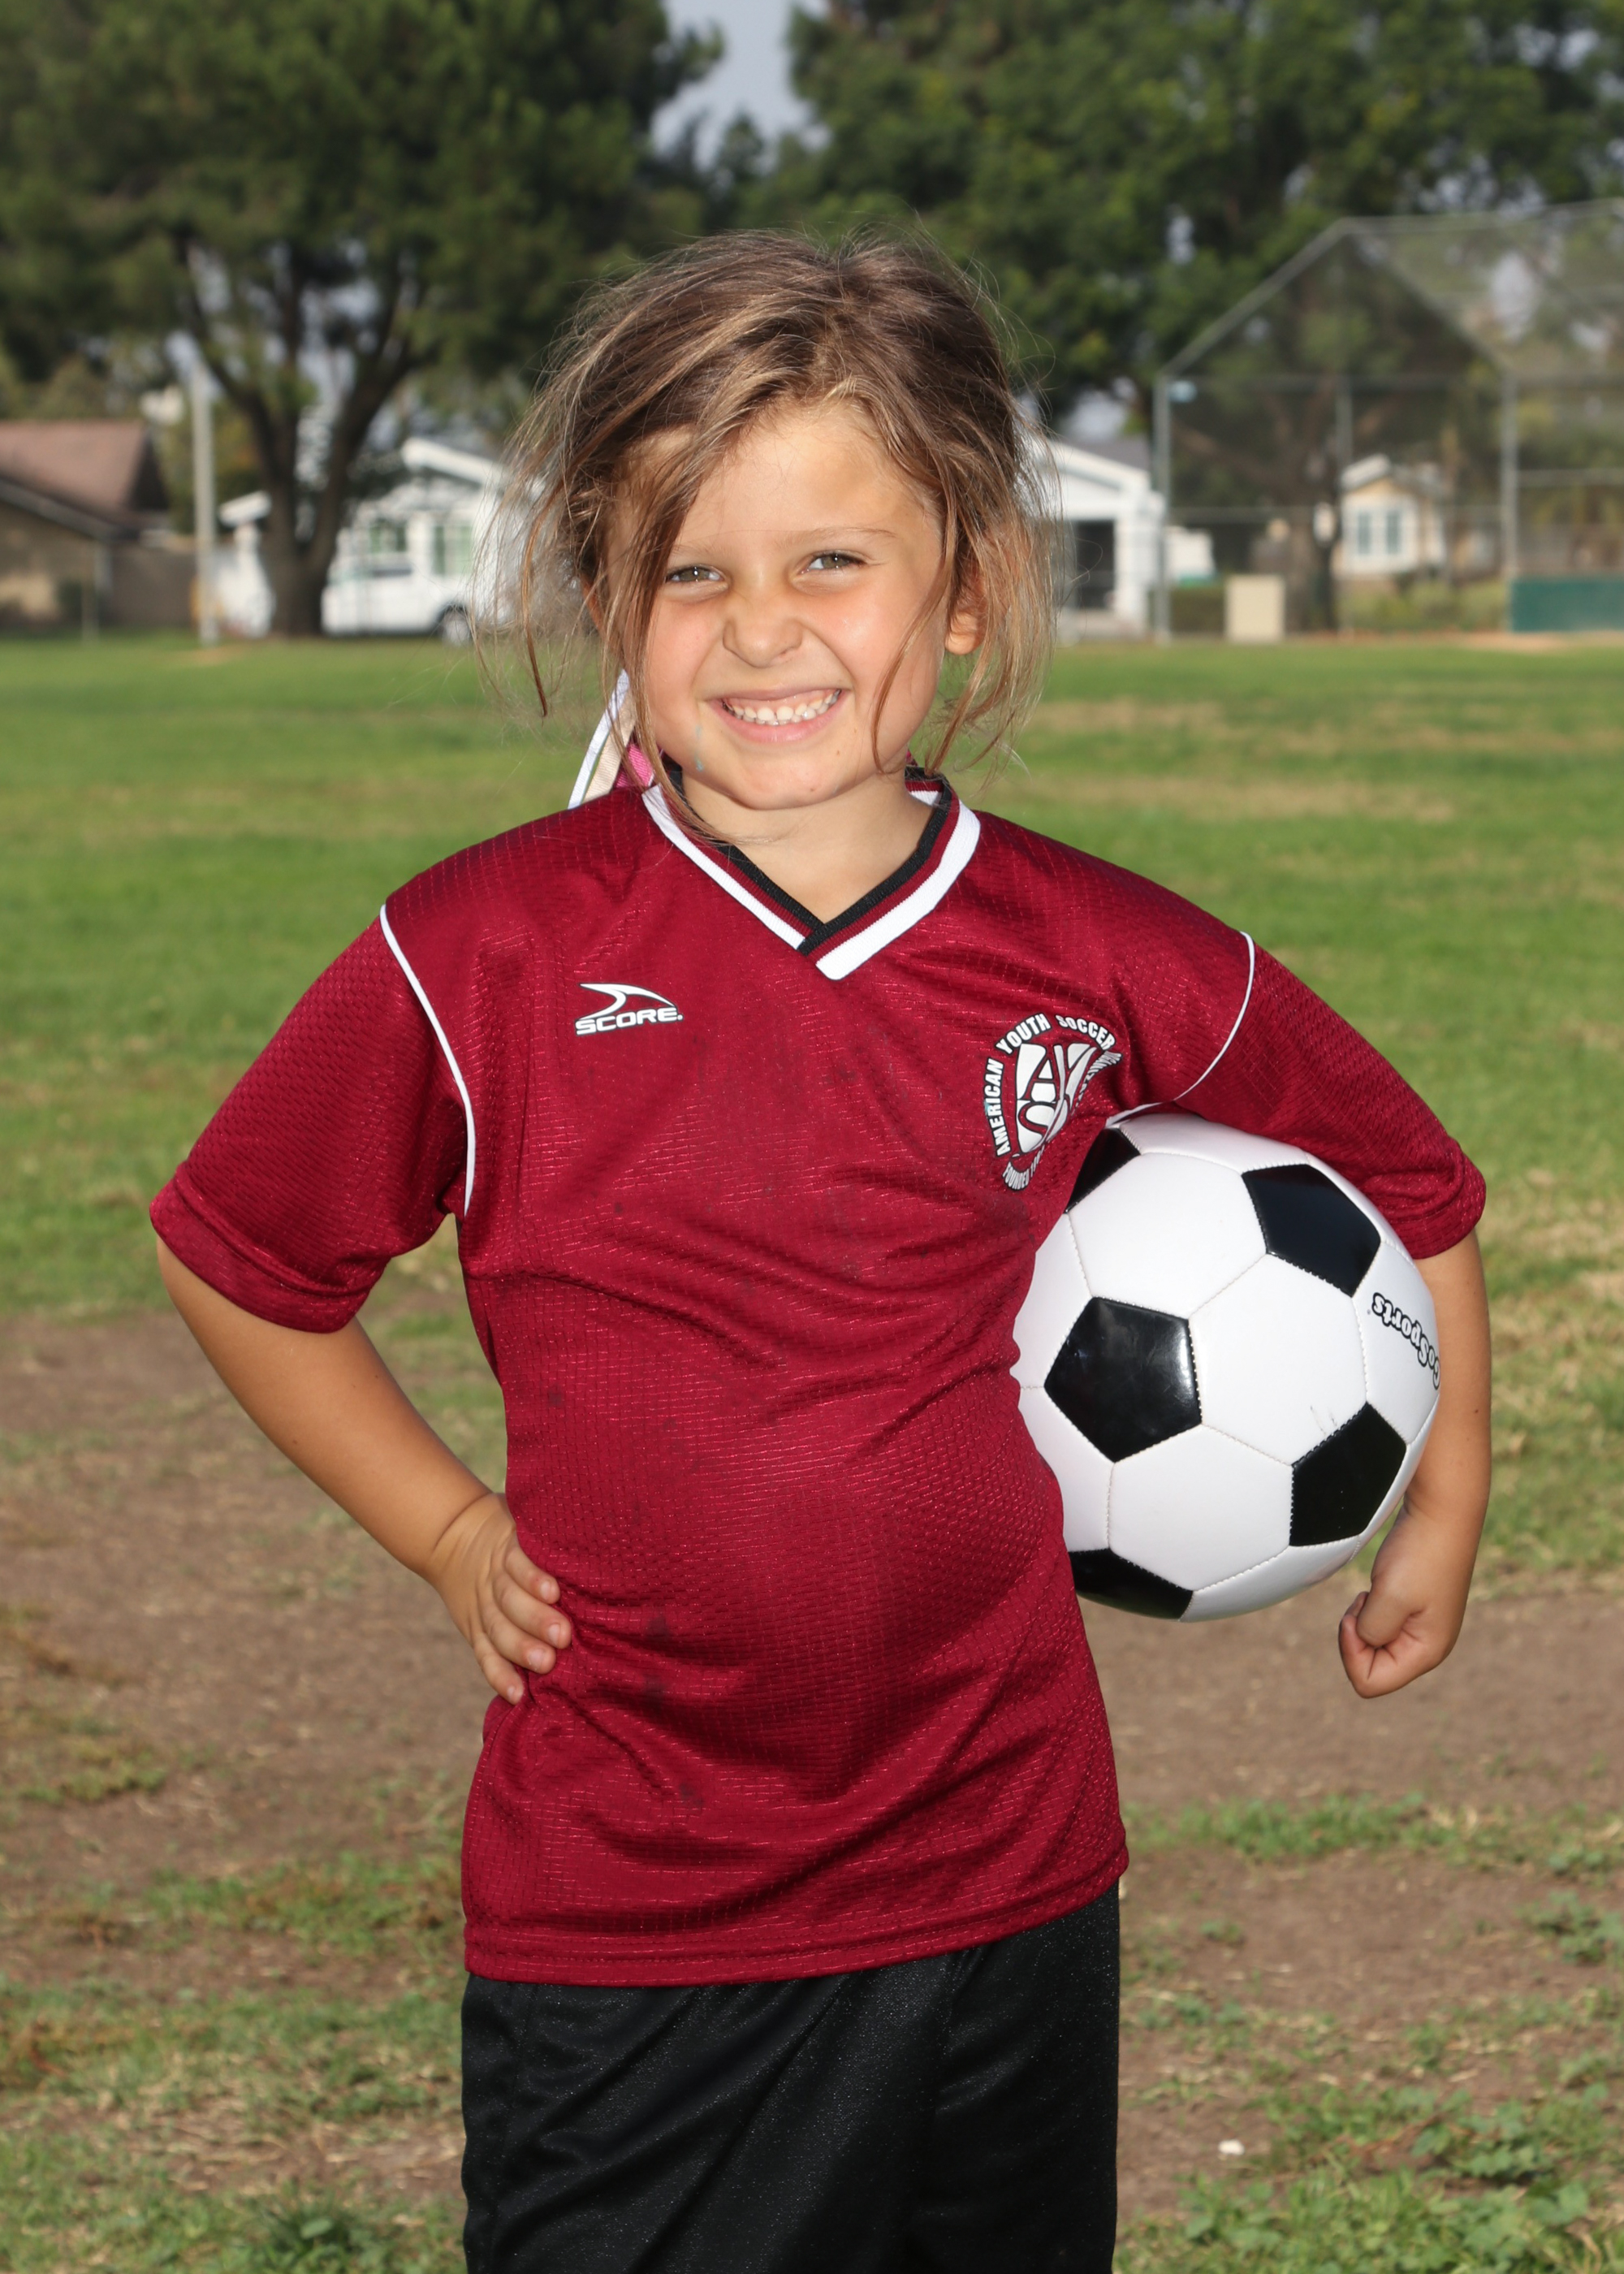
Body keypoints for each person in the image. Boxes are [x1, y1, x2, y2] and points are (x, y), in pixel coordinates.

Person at [150, 235, 1491, 2273]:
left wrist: (1446, 1491)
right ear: (609, 596)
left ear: (967, 591)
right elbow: (245, 1256)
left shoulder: (1089, 945)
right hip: (635, 1917)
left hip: (1010, 1877)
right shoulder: (480, 950)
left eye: (831, 562)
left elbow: (1405, 1174)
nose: (761, 627)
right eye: (689, 569)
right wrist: (445, 1528)